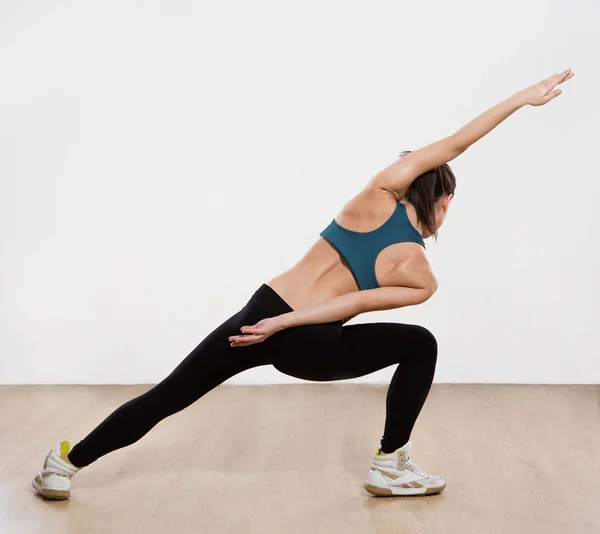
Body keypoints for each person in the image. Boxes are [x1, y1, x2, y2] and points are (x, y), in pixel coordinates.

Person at [31, 68, 574, 500]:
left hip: (262, 314)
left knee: (171, 395)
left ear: (410, 178)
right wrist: (289, 328)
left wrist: (275, 321)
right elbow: (357, 301)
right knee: (420, 344)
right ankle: (389, 464)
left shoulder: (374, 197)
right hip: (313, 347)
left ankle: (64, 466)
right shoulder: (421, 275)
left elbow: (454, 143)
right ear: (446, 199)